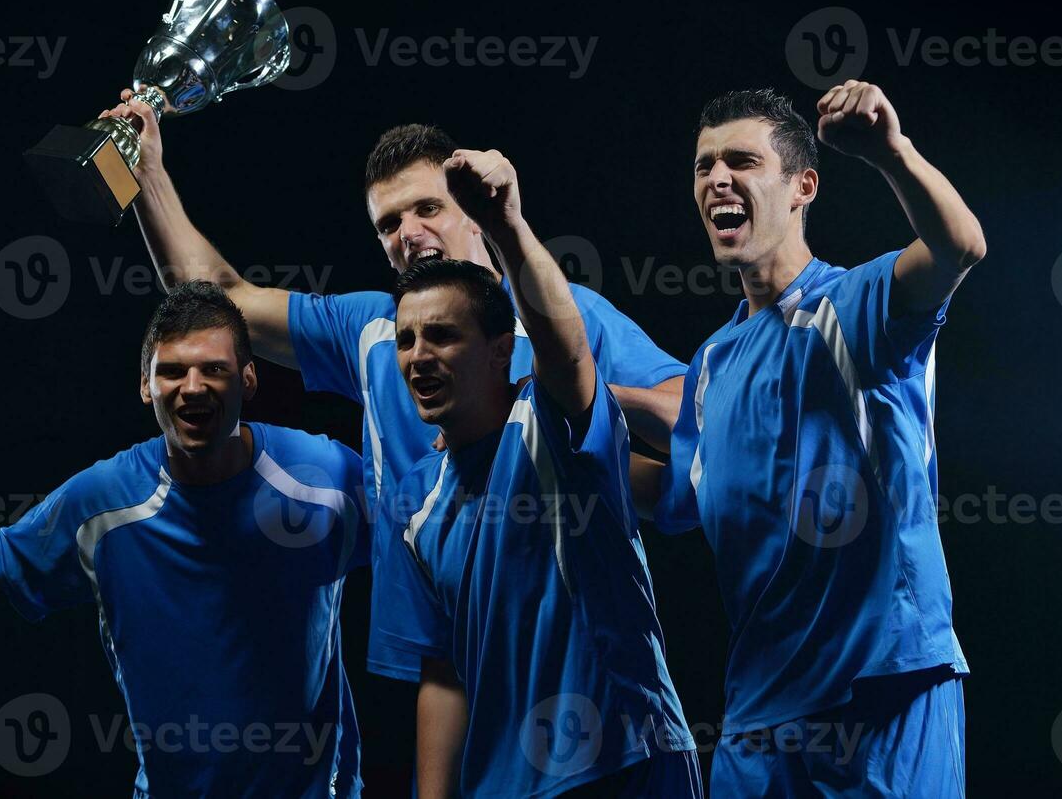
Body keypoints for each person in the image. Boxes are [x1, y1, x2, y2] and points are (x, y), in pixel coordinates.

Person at [102, 89, 687, 684]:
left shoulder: (563, 316)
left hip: (576, 644)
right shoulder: (375, 330)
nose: (408, 232)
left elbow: (694, 417)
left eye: (427, 208)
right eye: (388, 223)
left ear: (471, 210)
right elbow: (221, 300)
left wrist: (561, 401)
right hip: (441, 648)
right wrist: (148, 174)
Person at [651, 82, 984, 796]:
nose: (716, 180)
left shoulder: (854, 304)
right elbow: (675, 495)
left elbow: (958, 246)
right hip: (757, 721)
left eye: (740, 161)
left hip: (883, 693)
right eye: (703, 165)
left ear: (802, 186)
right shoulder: (711, 363)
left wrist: (889, 152)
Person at [0, 281, 369, 798]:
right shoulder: (103, 500)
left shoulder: (323, 474)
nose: (193, 386)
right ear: (145, 386)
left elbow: (418, 541)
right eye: (172, 371)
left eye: (213, 369)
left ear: (248, 378)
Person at [378, 149, 700, 798]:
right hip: (502, 785)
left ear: (500, 350)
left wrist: (505, 225)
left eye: (441, 336)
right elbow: (443, 669)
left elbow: (567, 349)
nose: (418, 357)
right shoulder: (412, 497)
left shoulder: (549, 422)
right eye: (406, 340)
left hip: (624, 760)